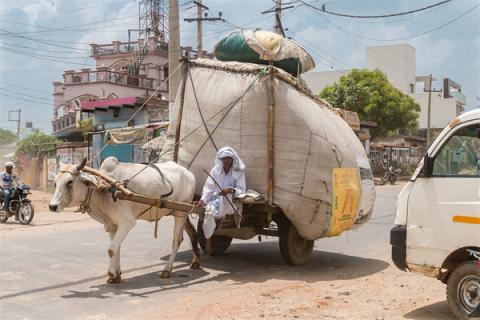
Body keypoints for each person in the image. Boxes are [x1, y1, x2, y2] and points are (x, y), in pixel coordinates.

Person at [197, 147, 246, 254]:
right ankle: (208, 241)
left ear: (232, 159)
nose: (226, 161)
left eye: (228, 159)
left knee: (225, 198)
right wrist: (203, 199)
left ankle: (219, 216)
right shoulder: (215, 171)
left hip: (231, 202)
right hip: (215, 201)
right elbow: (208, 188)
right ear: (221, 160)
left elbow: (242, 190)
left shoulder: (239, 172)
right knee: (208, 212)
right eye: (223, 159)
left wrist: (230, 190)